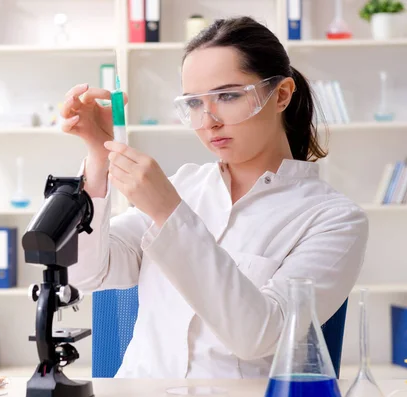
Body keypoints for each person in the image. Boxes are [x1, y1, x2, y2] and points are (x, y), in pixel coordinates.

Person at [59, 16, 369, 379]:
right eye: (193, 103)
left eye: (228, 95)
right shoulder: (185, 185)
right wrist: (99, 156)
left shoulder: (334, 219)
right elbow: (86, 273)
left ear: (281, 94)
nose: (208, 120)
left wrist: (169, 212)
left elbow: (259, 336)